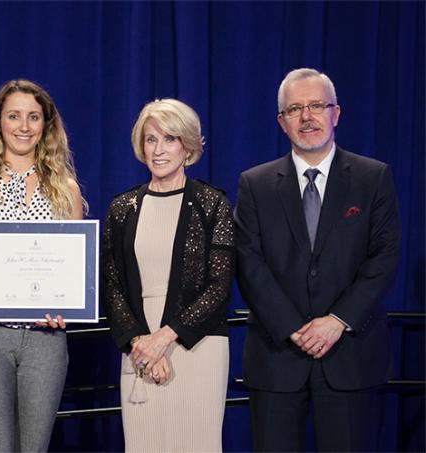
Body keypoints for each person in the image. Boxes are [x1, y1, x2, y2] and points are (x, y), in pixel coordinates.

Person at [235, 68, 401, 451]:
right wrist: (293, 327)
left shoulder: (373, 178)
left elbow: (384, 257)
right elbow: (249, 262)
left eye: (316, 106)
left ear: (336, 113)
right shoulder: (254, 184)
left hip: (350, 357)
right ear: (281, 122)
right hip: (277, 358)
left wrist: (337, 321)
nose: (306, 117)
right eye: (294, 109)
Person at [0, 79, 84, 452]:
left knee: (35, 447)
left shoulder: (65, 188)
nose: (24, 126)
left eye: (33, 117)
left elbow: (73, 267)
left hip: (46, 337)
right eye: (14, 116)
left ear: (46, 126)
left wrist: (66, 307)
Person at [103, 99, 234, 452]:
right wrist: (140, 344)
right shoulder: (122, 208)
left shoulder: (213, 204)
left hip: (197, 347)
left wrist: (165, 338)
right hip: (139, 349)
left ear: (188, 145)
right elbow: (112, 284)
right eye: (150, 140)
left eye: (170, 139)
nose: (158, 150)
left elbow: (219, 286)